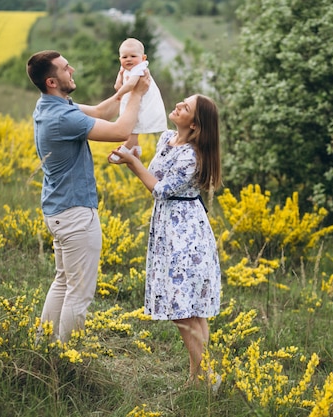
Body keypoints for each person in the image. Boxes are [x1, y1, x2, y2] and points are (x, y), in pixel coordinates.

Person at [26, 50, 150, 343]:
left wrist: (124, 89)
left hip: (59, 211)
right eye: (66, 69)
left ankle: (43, 346)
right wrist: (137, 95)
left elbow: (101, 112)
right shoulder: (63, 118)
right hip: (75, 213)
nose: (72, 71)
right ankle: (70, 359)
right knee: (79, 293)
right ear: (52, 81)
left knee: (64, 282)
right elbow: (120, 129)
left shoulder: (51, 106)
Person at [109, 94, 222, 385]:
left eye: (186, 108)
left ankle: (206, 377)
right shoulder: (168, 139)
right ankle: (198, 377)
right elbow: (155, 174)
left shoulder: (192, 155)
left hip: (185, 231)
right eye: (183, 101)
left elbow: (160, 189)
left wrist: (133, 163)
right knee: (189, 308)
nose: (179, 106)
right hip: (169, 228)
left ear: (195, 125)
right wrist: (130, 156)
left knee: (183, 310)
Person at [109, 38, 167, 162]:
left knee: (133, 124)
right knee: (130, 123)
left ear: (143, 58)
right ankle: (134, 146)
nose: (128, 59)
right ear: (120, 59)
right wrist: (119, 78)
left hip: (143, 102)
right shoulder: (126, 69)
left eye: (133, 56)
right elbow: (118, 84)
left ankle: (128, 146)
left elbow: (130, 84)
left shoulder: (139, 68)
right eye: (124, 57)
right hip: (133, 99)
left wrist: (118, 94)